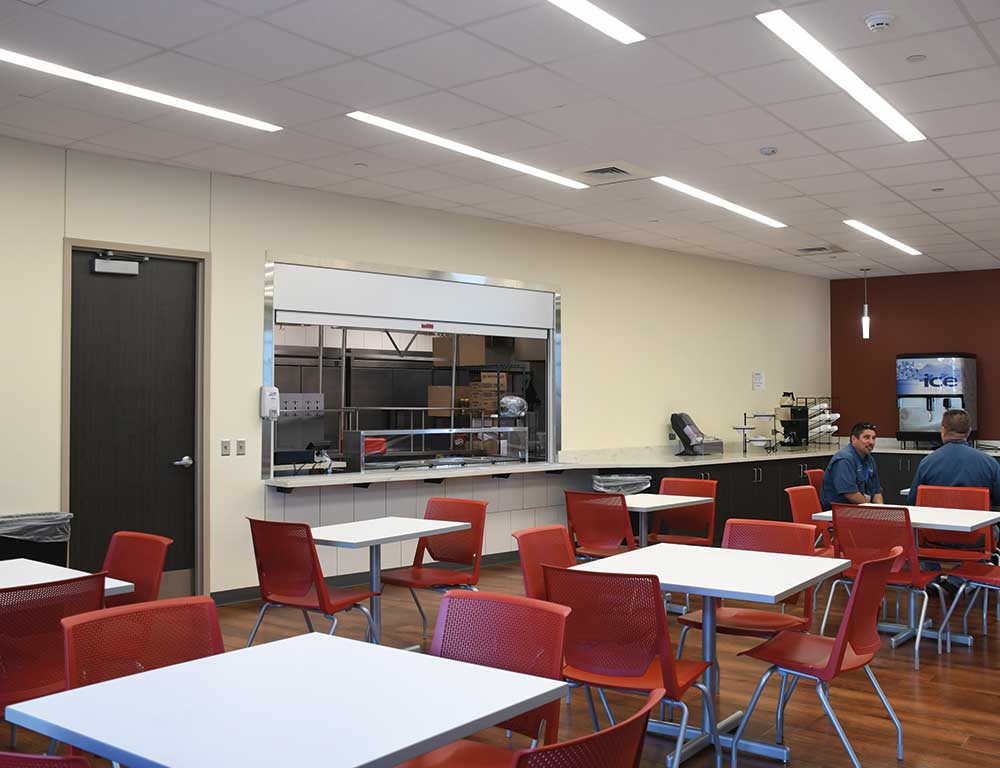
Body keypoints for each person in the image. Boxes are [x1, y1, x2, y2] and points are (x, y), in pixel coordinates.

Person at [907, 409, 1000, 506]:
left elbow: (913, 500)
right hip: (979, 520)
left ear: (943, 430)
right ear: (969, 432)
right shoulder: (990, 464)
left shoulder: (927, 463)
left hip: (938, 520)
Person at [820, 421, 884, 509]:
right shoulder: (844, 459)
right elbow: (851, 494)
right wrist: (872, 510)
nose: (871, 442)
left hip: (860, 508)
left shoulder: (869, 459)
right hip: (840, 511)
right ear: (854, 439)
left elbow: (877, 492)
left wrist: (881, 510)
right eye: (866, 437)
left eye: (873, 438)